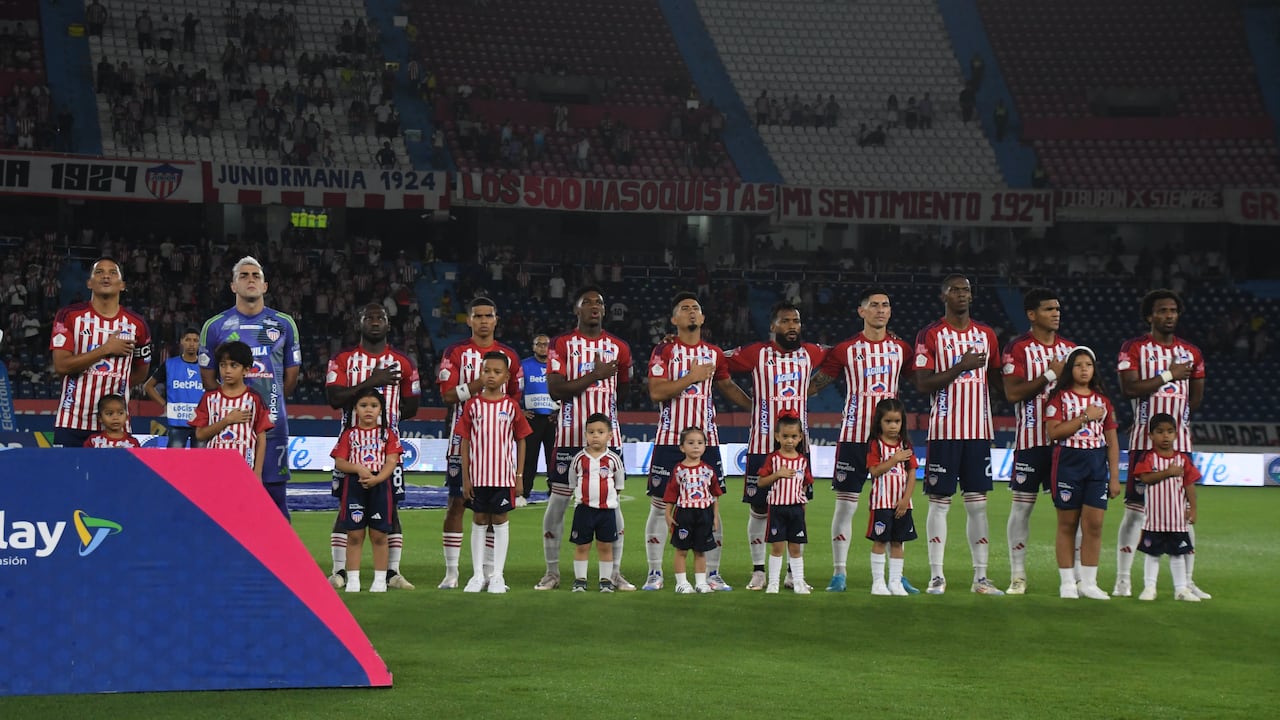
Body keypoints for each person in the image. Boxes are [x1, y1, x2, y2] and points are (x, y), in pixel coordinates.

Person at [809, 287, 915, 593]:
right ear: (862, 311)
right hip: (854, 438)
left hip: (891, 442)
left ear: (890, 312)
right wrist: (793, 394)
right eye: (874, 305)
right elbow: (819, 381)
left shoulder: (901, 349)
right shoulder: (845, 349)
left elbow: (918, 378)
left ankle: (897, 575)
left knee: (897, 507)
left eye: (886, 305)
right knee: (846, 507)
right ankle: (839, 573)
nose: (881, 310)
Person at [642, 292, 750, 591]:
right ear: (674, 319)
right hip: (669, 439)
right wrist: (691, 377)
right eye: (684, 309)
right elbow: (656, 392)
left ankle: (712, 574)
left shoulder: (714, 353)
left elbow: (727, 385)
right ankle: (654, 572)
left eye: (696, 309)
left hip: (707, 440)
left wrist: (756, 406)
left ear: (702, 319)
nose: (691, 312)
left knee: (710, 502)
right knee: (659, 504)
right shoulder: (663, 351)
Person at [912, 274, 1004, 595]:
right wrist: (961, 367)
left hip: (978, 432)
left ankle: (981, 578)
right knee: (940, 503)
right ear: (944, 296)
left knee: (978, 505)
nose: (962, 295)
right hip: (944, 431)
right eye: (956, 290)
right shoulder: (930, 334)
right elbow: (922, 384)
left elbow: (997, 382)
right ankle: (937, 576)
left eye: (966, 289)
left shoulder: (987, 335)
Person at [538, 286, 633, 591]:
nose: (595, 306)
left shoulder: (620, 347)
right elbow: (555, 389)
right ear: (576, 310)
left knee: (612, 504)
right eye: (587, 302)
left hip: (609, 440)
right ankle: (552, 572)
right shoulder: (561, 344)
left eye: (600, 302)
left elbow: (625, 390)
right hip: (568, 437)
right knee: (558, 504)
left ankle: (614, 573)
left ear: (604, 311)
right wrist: (596, 375)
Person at [1114, 289, 1208, 599]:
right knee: (1135, 512)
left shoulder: (1192, 353)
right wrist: (1168, 375)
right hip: (1144, 442)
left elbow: (1195, 398)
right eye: (1162, 311)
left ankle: (1187, 581)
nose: (1168, 315)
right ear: (1150, 316)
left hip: (1179, 446)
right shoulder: (1134, 348)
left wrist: (1177, 421)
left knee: (1182, 512)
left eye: (1173, 310)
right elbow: (1129, 389)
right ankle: (1124, 579)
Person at [725, 301, 825, 591]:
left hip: (798, 448)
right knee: (758, 509)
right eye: (785, 321)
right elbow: (718, 363)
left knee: (797, 507)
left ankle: (795, 574)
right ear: (773, 326)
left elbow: (840, 358)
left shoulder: (812, 353)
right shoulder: (756, 354)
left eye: (796, 320)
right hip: (761, 445)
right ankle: (758, 570)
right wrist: (749, 402)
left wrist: (814, 387)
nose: (792, 325)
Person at [325, 303, 421, 590]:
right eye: (370, 317)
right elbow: (334, 398)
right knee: (345, 508)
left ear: (389, 324)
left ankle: (392, 573)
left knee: (392, 509)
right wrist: (372, 382)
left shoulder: (404, 362)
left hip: (387, 449)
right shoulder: (343, 360)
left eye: (381, 318)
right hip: (350, 447)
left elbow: (413, 405)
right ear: (360, 322)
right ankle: (339, 572)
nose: (376, 321)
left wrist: (384, 422)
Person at [200, 257, 300, 519]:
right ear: (233, 286)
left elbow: (290, 376)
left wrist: (271, 405)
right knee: (224, 499)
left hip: (273, 426)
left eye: (256, 275)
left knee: (274, 497)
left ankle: (279, 558)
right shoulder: (215, 326)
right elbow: (209, 380)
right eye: (243, 275)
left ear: (265, 285)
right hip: (228, 430)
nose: (250, 279)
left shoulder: (284, 324)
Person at [437, 297, 523, 589]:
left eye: (489, 315)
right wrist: (481, 382)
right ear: (469, 320)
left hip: (496, 451)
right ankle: (451, 572)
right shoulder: (456, 352)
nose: (484, 320)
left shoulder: (509, 355)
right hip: (462, 441)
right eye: (478, 316)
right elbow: (447, 396)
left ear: (496, 319)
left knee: (493, 513)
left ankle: (488, 572)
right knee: (457, 504)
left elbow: (513, 398)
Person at [1001, 288, 1076, 594]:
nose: (1056, 313)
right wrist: (1049, 375)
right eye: (1048, 309)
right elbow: (1013, 394)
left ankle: (1075, 578)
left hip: (1068, 446)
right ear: (1032, 314)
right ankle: (1018, 576)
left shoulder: (1072, 351)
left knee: (1074, 514)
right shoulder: (1017, 349)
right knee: (1021, 510)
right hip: (1031, 443)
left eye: (1058, 308)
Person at [1044, 347, 1121, 600]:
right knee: (1067, 524)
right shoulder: (1059, 398)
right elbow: (1054, 433)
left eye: (1088, 364)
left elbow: (1112, 440)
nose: (1084, 369)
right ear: (1070, 369)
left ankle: (1088, 582)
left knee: (1095, 525)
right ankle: (1067, 582)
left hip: (1097, 464)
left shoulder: (1104, 401)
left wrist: (1113, 476)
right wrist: (1085, 418)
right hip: (1068, 462)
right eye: (1078, 365)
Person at [51, 257, 152, 448]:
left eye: (113, 273)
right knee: (67, 478)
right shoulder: (68, 316)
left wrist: (116, 385)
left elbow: (141, 372)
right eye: (99, 272)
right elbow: (61, 366)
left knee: (113, 478)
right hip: (72, 422)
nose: (106, 276)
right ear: (89, 283)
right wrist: (105, 349)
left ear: (122, 285)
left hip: (116, 428)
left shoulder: (137, 324)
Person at [457, 351, 532, 594]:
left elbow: (521, 440)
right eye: (487, 371)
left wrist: (519, 476)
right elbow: (465, 441)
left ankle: (497, 575)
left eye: (497, 372)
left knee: (499, 520)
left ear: (507, 376)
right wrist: (466, 477)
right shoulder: (472, 405)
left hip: (503, 476)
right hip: (478, 476)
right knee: (479, 520)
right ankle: (478, 575)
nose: (491, 376)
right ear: (481, 373)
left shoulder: (511, 406)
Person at [330, 388, 403, 593]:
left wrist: (378, 478)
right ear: (356, 409)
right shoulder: (349, 435)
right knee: (354, 534)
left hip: (380, 485)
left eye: (373, 406)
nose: (368, 410)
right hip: (354, 486)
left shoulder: (387, 434)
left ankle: (380, 581)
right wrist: (358, 468)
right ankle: (353, 580)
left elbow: (392, 460)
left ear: (381, 409)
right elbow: (340, 461)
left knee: (379, 535)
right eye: (363, 406)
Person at [1130, 413, 1202, 602]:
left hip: (1177, 520)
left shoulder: (1183, 460)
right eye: (1160, 432)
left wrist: (1192, 509)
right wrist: (1167, 473)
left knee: (1177, 555)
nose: (1165, 436)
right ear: (1151, 436)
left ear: (1176, 435)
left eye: (1170, 432)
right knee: (1153, 555)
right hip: (1154, 520)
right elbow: (1145, 478)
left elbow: (1189, 486)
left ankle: (1181, 589)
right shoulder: (1149, 458)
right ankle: (1149, 587)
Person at [190, 340, 274, 479]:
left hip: (245, 471)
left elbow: (261, 437)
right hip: (213, 471)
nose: (227, 370)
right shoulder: (209, 398)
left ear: (246, 370)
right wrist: (227, 421)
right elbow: (199, 435)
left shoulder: (254, 399)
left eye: (233, 365)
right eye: (223, 365)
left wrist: (257, 473)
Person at [568, 413, 626, 592]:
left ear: (609, 436)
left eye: (600, 432)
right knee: (582, 546)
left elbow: (618, 484)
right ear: (585, 434)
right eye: (591, 432)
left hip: (606, 511)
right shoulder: (579, 458)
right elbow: (572, 481)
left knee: (605, 546)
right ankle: (580, 580)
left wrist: (607, 499)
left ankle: (605, 581)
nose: (595, 435)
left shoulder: (613, 459)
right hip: (584, 510)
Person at [756, 412, 813, 594]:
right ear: (777, 437)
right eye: (786, 436)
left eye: (794, 436)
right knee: (777, 546)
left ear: (800, 438)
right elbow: (761, 481)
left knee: (796, 547)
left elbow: (805, 483)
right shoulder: (773, 459)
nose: (790, 441)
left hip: (795, 509)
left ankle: (798, 582)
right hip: (777, 508)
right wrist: (777, 475)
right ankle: (773, 583)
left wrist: (801, 501)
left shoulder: (802, 461)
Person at [865, 398, 917, 596]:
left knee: (898, 542)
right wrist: (894, 459)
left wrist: (906, 499)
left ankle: (895, 582)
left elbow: (912, 473)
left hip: (902, 504)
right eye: (888, 421)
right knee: (880, 541)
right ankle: (878, 582)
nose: (893, 426)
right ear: (879, 422)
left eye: (897, 421)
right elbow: (875, 471)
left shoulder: (905, 444)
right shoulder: (875, 445)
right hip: (881, 503)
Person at [663, 426, 723, 594]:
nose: (696, 446)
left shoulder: (708, 471)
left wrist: (715, 517)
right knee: (681, 550)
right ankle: (681, 582)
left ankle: (701, 583)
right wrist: (668, 514)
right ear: (682, 447)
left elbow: (715, 495)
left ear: (705, 446)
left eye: (700, 443)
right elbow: (671, 494)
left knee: (700, 550)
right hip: (684, 514)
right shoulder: (679, 471)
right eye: (691, 443)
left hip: (704, 514)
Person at [143, 328, 206, 448]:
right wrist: (164, 404)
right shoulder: (170, 364)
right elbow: (148, 386)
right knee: (174, 461)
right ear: (181, 341)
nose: (191, 344)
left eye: (195, 340)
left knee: (200, 462)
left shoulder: (206, 366)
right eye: (188, 340)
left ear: (200, 343)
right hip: (178, 421)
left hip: (201, 422)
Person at [519, 333, 557, 506]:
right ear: (533, 347)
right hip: (532, 418)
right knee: (529, 458)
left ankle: (555, 491)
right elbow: (514, 389)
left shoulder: (556, 365)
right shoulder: (524, 365)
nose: (543, 347)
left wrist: (560, 411)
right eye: (539, 344)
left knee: (554, 457)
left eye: (546, 344)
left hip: (552, 419)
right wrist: (520, 411)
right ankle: (524, 492)